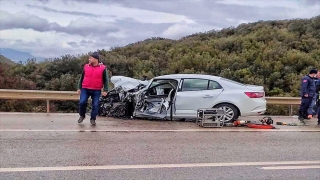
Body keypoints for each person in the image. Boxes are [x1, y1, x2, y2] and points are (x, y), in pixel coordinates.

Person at [77, 52, 109, 125]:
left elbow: (106, 80)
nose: (89, 59)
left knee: (95, 105)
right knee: (82, 102)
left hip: (96, 90)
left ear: (96, 59)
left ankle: (93, 119)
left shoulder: (103, 68)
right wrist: (79, 87)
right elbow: (81, 77)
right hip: (85, 88)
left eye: (90, 58)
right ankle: (82, 115)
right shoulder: (86, 66)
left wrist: (105, 90)